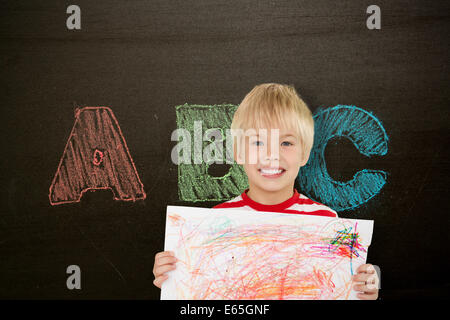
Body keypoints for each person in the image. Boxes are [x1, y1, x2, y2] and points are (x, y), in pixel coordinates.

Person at [153, 83, 379, 299]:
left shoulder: (327, 223)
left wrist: (363, 288)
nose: (272, 154)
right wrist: (173, 276)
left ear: (305, 154)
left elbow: (338, 288)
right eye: (258, 142)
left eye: (286, 143)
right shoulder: (213, 225)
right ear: (238, 153)